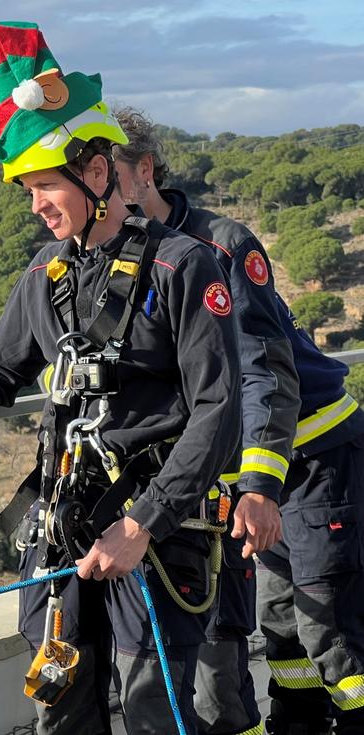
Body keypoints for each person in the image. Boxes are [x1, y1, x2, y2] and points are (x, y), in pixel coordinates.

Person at [0, 22, 241, 734]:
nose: (35, 205)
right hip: (62, 533)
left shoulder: (182, 267)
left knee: (150, 704)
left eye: (43, 186)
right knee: (59, 708)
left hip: (150, 534)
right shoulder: (44, 274)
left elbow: (217, 409)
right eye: (26, 190)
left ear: (95, 174)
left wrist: (141, 522)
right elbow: (0, 367)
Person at [114, 107, 364, 735]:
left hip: (308, 454)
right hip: (244, 474)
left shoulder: (221, 244)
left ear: (145, 172)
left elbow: (260, 372)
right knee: (279, 629)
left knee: (328, 624)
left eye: (107, 175)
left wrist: (257, 483)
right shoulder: (125, 259)